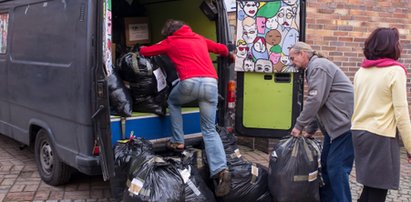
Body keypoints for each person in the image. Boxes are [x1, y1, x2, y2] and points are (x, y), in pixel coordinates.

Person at [139, 19, 231, 197]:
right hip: (211, 84)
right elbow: (223, 49)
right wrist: (228, 53)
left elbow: (146, 51)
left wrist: (141, 48)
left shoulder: (171, 41)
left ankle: (178, 140)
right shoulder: (199, 39)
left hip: (189, 83)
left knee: (174, 102)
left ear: (169, 32)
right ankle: (221, 169)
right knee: (209, 130)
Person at [289, 41, 355, 202]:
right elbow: (320, 102)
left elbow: (315, 99)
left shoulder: (318, 66)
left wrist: (299, 126)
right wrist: (311, 129)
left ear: (302, 54)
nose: (292, 62)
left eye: (293, 58)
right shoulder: (314, 68)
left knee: (336, 168)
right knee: (325, 165)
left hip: (344, 127)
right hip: (333, 130)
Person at [351, 27, 411, 202]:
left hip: (359, 133)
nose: (400, 46)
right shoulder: (395, 71)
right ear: (391, 46)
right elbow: (401, 113)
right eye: (398, 43)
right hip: (381, 136)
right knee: (378, 192)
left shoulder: (361, 71)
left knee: (369, 189)